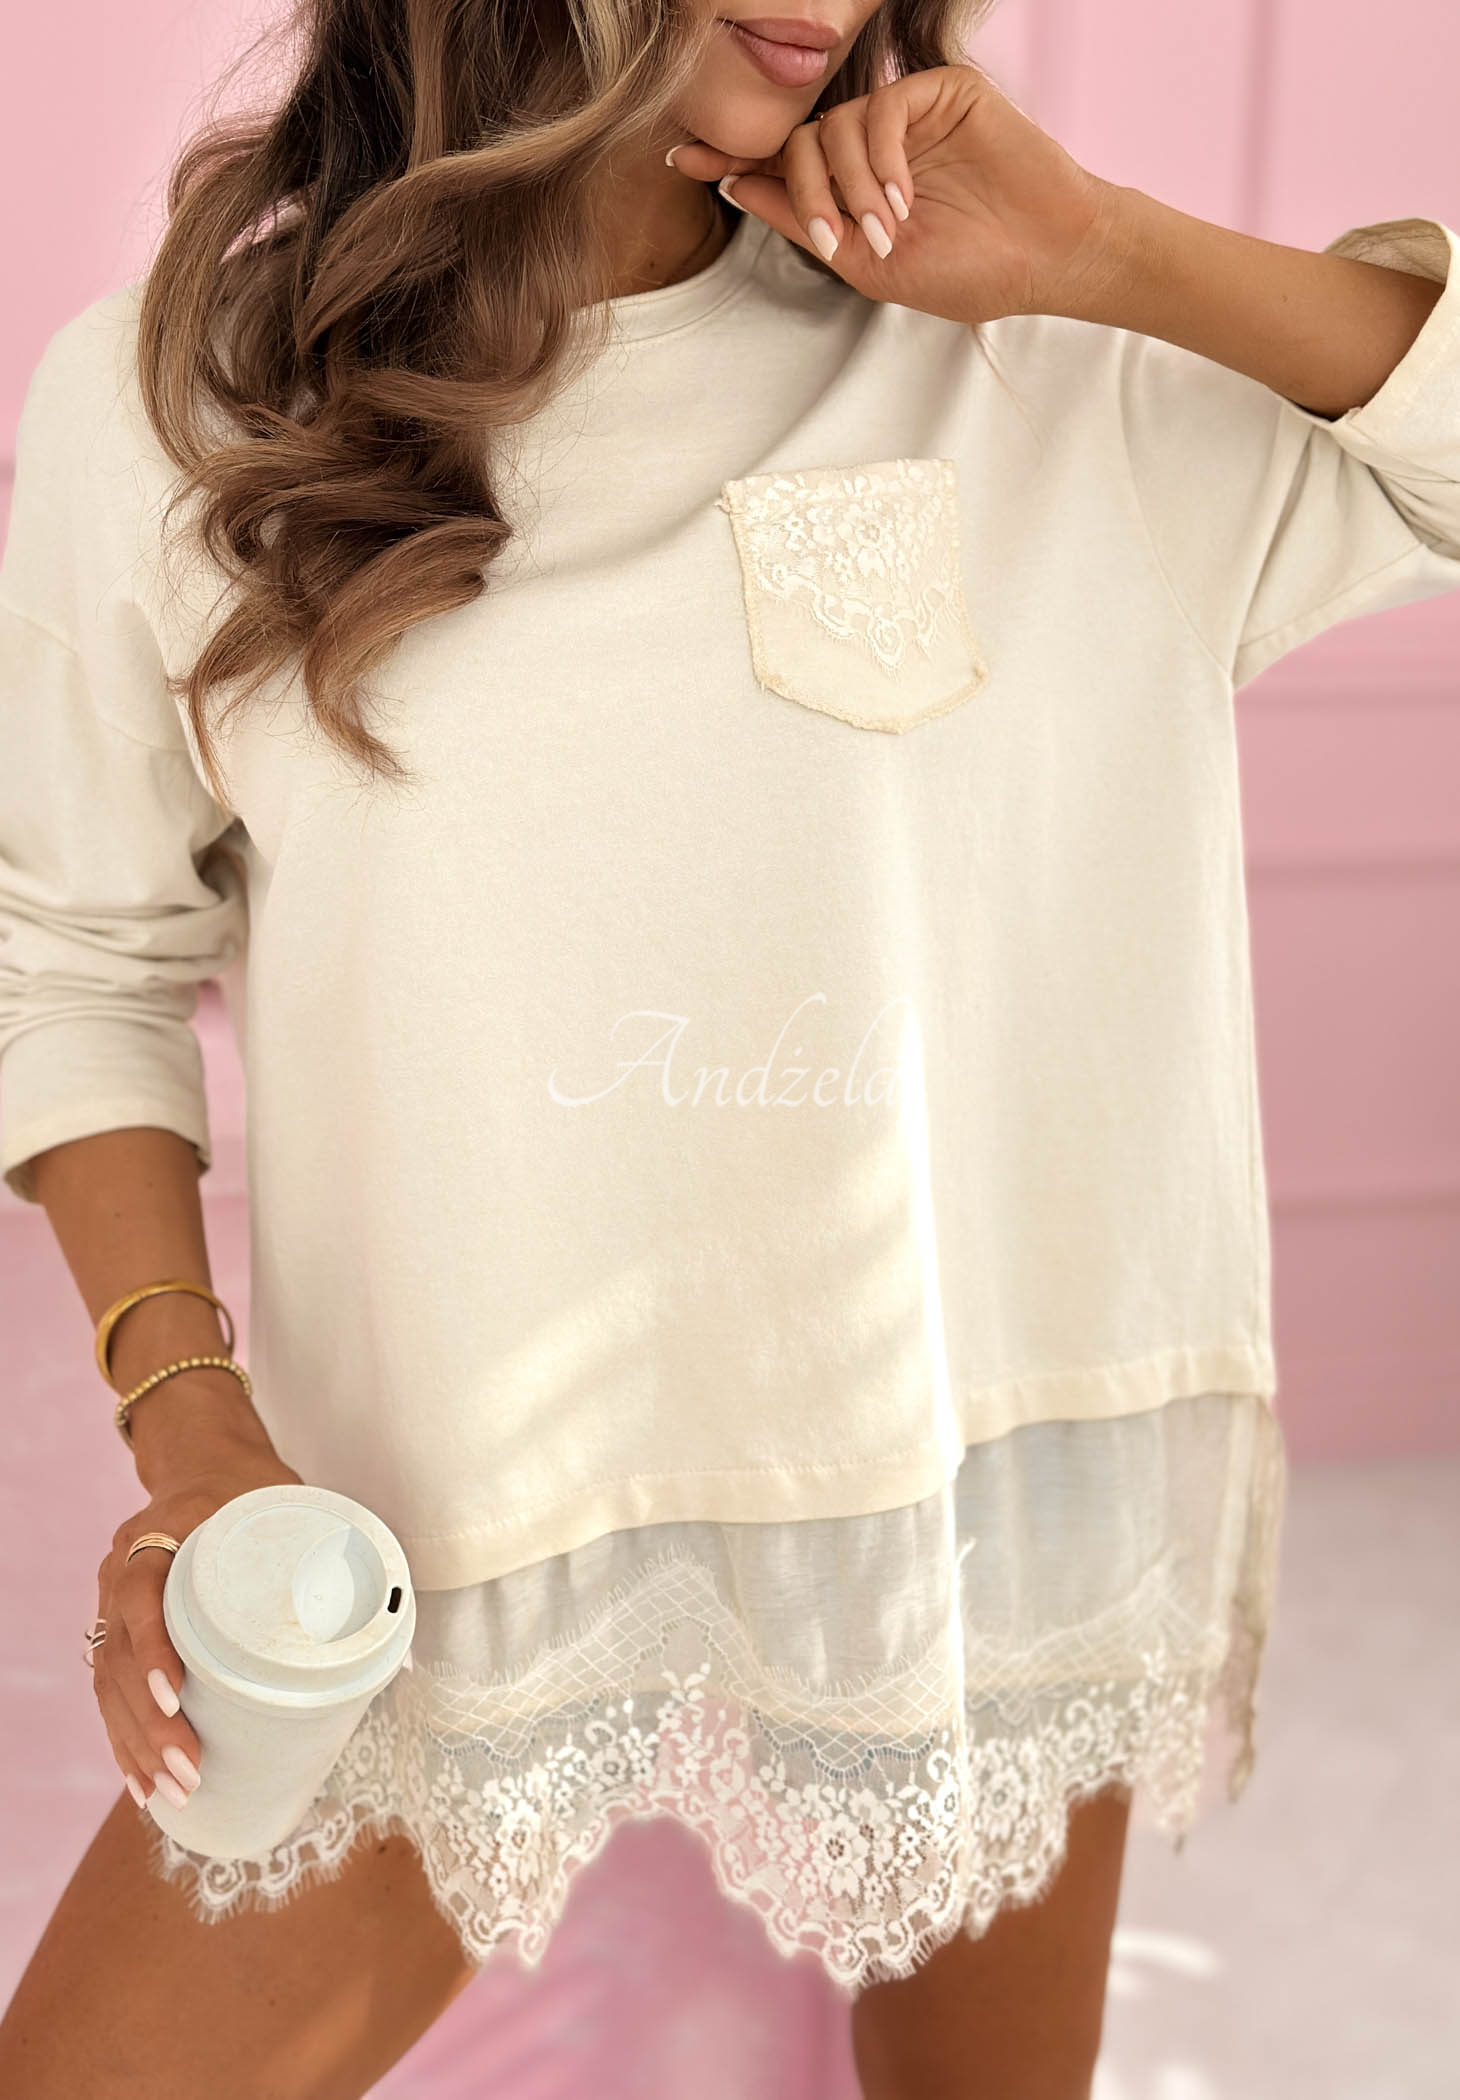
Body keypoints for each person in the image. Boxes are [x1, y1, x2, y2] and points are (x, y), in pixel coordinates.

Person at [2, 2, 1458, 2094]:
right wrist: (191, 1426)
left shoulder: (1023, 340)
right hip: (440, 1510)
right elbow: (68, 954)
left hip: (974, 1466)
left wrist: (1099, 248)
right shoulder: (182, 406)